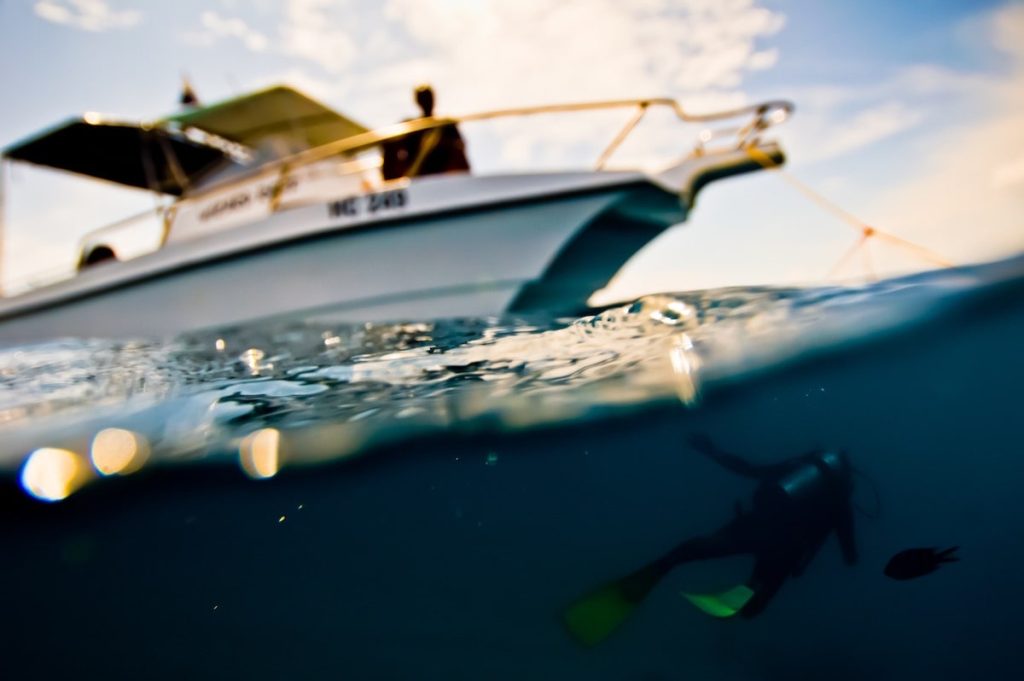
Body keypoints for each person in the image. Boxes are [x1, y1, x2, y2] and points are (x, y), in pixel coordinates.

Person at [564, 434, 858, 646]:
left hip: (759, 524)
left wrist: (712, 451)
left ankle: (666, 564)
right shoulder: (840, 496)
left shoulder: (800, 466)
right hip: (782, 549)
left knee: (704, 548)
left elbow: (750, 469)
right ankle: (747, 593)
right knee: (753, 606)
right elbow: (849, 553)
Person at [381, 85, 470, 180]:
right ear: (418, 101)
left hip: (446, 176)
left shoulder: (446, 125)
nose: (427, 101)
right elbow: (389, 146)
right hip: (418, 179)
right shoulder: (410, 127)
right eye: (423, 98)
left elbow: (460, 146)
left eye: (428, 97)